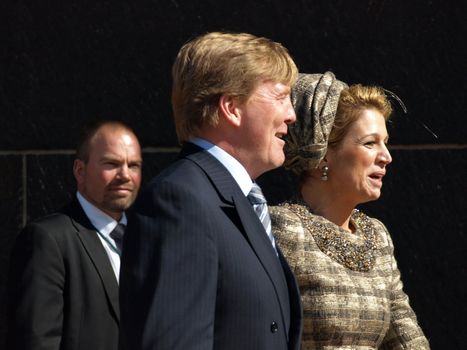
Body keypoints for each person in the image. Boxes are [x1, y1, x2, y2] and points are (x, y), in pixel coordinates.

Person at [119, 32, 302, 350]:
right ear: (232, 107)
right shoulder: (178, 201)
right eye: (280, 96)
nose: (291, 114)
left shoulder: (235, 199)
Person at [270, 72, 430, 349]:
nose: (386, 156)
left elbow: (405, 335)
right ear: (323, 154)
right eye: (370, 143)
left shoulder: (376, 236)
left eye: (385, 142)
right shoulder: (282, 228)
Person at [7, 120, 143, 350]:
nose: (125, 175)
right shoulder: (48, 240)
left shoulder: (151, 238)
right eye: (111, 164)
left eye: (134, 165)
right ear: (80, 171)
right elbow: (35, 342)